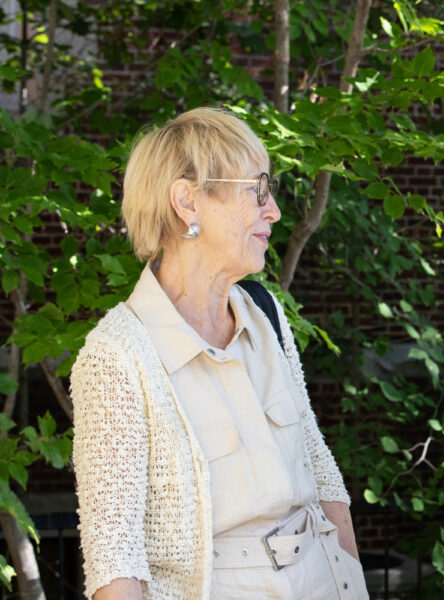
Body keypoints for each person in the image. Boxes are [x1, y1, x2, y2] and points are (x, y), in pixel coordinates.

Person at [70, 107, 369, 600]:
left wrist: (353, 578)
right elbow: (114, 560)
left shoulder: (267, 313)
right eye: (257, 191)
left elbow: (318, 465)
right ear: (188, 202)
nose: (272, 210)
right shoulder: (116, 356)